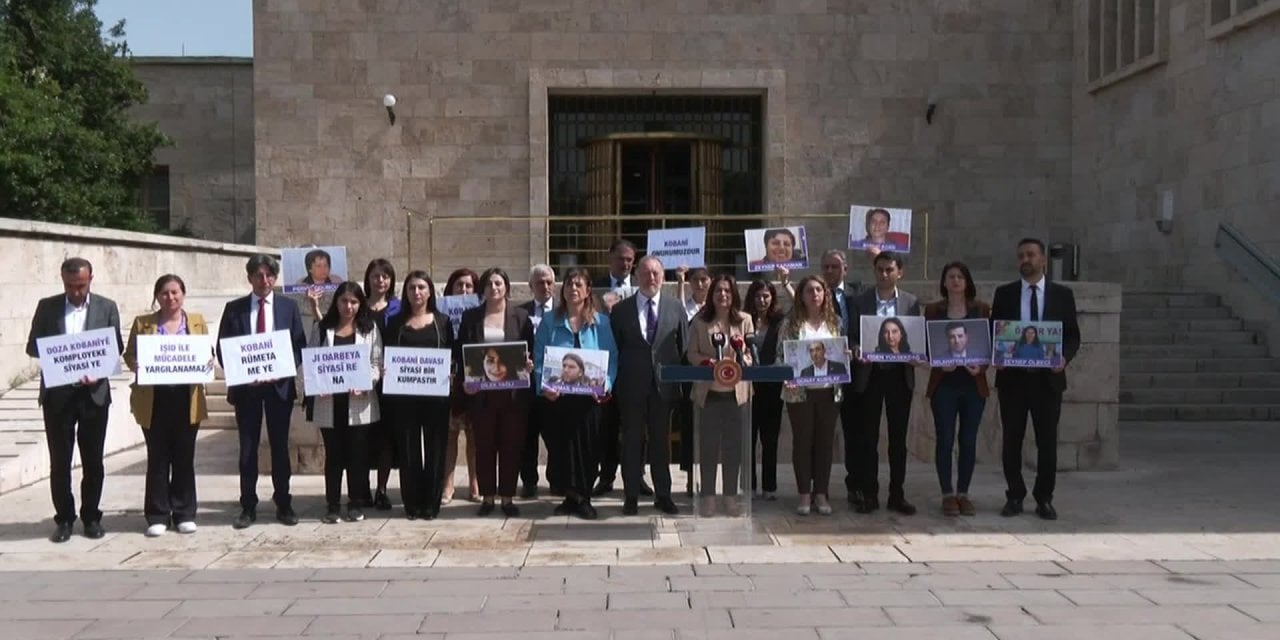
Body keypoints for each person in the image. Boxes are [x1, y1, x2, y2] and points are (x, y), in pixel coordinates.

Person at [26, 257, 123, 542]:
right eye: (70, 286)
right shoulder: (48, 307)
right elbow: (32, 345)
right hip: (59, 395)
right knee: (60, 460)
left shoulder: (107, 307)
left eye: (81, 285)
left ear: (90, 279)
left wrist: (98, 370)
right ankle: (65, 519)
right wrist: (59, 355)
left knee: (93, 461)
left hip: (93, 396)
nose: (76, 292)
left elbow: (113, 346)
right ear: (62, 281)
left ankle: (91, 516)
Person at [992, 238, 1081, 521]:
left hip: (1047, 382)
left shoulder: (1062, 295)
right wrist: (998, 354)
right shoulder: (1004, 294)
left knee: (1047, 442)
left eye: (1030, 255)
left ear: (1043, 259)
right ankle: (1014, 495)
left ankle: (1044, 498)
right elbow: (997, 332)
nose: (1025, 260)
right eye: (1020, 256)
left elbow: (1072, 336)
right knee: (1011, 441)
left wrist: (1064, 358)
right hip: (1013, 382)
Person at [216, 254, 307, 529]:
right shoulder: (234, 309)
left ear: (275, 278)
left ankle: (283, 502)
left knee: (280, 447)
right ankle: (248, 505)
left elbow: (298, 345)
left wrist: (282, 367)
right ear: (250, 278)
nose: (264, 280)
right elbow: (224, 348)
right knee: (247, 448)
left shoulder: (288, 307)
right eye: (258, 275)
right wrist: (244, 373)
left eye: (269, 275)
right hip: (247, 391)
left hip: (278, 388)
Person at [123, 275, 210, 537]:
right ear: (156, 296)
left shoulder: (196, 321)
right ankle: (158, 514)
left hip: (186, 398)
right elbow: (129, 354)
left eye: (174, 292)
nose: (170, 298)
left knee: (184, 457)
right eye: (164, 293)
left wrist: (207, 361)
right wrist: (135, 364)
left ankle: (184, 512)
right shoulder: (144, 323)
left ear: (183, 294)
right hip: (154, 399)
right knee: (158, 458)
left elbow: (207, 351)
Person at [533, 267, 618, 520]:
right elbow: (539, 357)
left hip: (590, 401)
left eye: (579, 284)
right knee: (561, 447)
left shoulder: (602, 323)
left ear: (588, 290)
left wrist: (607, 385)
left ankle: (584, 497)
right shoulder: (550, 321)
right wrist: (543, 384)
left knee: (588, 447)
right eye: (569, 284)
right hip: (557, 399)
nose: (573, 289)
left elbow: (612, 357)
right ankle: (570, 496)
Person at [612, 255, 688, 515]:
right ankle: (631, 495)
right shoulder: (621, 311)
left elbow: (683, 347)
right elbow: (615, 348)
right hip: (631, 387)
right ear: (636, 277)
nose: (651, 278)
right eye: (645, 273)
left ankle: (663, 495)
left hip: (663, 388)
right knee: (632, 441)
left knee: (660, 442)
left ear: (663, 277)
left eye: (656, 273)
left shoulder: (675, 307)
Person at [456, 268, 535, 517]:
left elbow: (529, 352)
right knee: (484, 445)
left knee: (511, 445)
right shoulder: (471, 318)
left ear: (507, 287)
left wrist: (529, 366)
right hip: (482, 394)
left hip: (512, 395)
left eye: (499, 283)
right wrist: (464, 381)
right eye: (489, 283)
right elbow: (462, 352)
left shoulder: (521, 317)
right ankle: (488, 497)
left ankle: (508, 497)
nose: (494, 287)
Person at [850, 251, 921, 516]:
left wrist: (916, 354)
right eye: (880, 269)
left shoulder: (911, 303)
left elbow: (914, 338)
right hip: (870, 376)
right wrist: (857, 349)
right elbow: (852, 336)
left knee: (898, 440)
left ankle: (897, 494)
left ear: (899, 272)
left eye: (889, 270)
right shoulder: (861, 301)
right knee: (868, 438)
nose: (884, 274)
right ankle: (869, 494)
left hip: (900, 377)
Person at [307, 282, 383, 524]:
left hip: (359, 403)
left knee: (357, 455)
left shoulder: (369, 329)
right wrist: (317, 385)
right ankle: (332, 504)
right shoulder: (322, 329)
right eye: (343, 301)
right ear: (336, 302)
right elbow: (310, 361)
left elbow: (376, 364)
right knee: (334, 456)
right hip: (329, 404)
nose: (348, 306)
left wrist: (365, 383)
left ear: (360, 304)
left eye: (353, 302)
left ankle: (356, 502)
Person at [383, 271, 453, 520]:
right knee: (409, 449)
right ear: (406, 293)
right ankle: (412, 503)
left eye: (422, 287)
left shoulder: (443, 321)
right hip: (405, 397)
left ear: (430, 291)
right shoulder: (395, 323)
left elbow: (452, 355)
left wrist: (451, 372)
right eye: (412, 288)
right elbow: (387, 354)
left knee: (436, 448)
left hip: (436, 396)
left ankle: (431, 503)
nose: (417, 293)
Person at [924, 262, 991, 517]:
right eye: (950, 276)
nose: (955, 281)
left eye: (960, 276)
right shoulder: (933, 311)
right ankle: (947, 494)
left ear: (967, 281)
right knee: (945, 439)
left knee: (968, 440)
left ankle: (964, 492)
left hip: (973, 385)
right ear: (943, 282)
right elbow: (927, 345)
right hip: (944, 385)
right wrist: (939, 363)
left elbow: (989, 345)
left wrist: (981, 367)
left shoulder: (981, 309)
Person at [686, 274, 754, 517]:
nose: (722, 295)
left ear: (733, 294)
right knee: (709, 448)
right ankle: (707, 497)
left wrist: (744, 360)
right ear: (711, 295)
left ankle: (730, 497)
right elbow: (691, 353)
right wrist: (708, 362)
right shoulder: (700, 322)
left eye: (727, 291)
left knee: (733, 448)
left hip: (737, 395)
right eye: (718, 291)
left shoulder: (745, 320)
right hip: (709, 394)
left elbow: (749, 352)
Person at [776, 276, 843, 516]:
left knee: (825, 443)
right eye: (809, 291)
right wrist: (786, 376)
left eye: (818, 290)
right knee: (803, 442)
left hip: (829, 391)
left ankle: (821, 493)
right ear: (801, 296)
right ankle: (804, 493)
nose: (814, 294)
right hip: (799, 393)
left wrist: (846, 355)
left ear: (825, 294)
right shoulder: (791, 324)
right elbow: (780, 357)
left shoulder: (835, 322)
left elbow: (842, 353)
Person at [441, 268, 481, 504]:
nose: (463, 290)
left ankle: (475, 483)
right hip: (450, 379)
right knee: (450, 435)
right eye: (459, 285)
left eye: (468, 286)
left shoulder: (480, 314)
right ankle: (448, 484)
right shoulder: (442, 312)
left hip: (474, 379)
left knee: (475, 436)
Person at [363, 259, 401, 512]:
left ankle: (382, 489)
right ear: (368, 279)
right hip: (362, 381)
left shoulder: (399, 308)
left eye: (385, 276)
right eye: (376, 276)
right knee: (363, 437)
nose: (380, 281)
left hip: (392, 381)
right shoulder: (357, 305)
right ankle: (362, 488)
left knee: (387, 437)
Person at [519, 264, 558, 499]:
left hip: (553, 384)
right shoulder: (520, 313)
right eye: (540, 282)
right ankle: (529, 481)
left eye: (549, 282)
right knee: (527, 436)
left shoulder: (562, 312)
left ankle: (556, 479)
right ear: (530, 286)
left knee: (554, 434)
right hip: (526, 385)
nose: (545, 286)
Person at [745, 279, 784, 501]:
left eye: (766, 296)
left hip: (771, 387)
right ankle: (749, 486)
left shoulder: (780, 321)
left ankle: (770, 486)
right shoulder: (743, 319)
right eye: (758, 296)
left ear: (772, 298)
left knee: (770, 439)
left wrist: (787, 282)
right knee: (748, 439)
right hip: (748, 387)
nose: (762, 300)